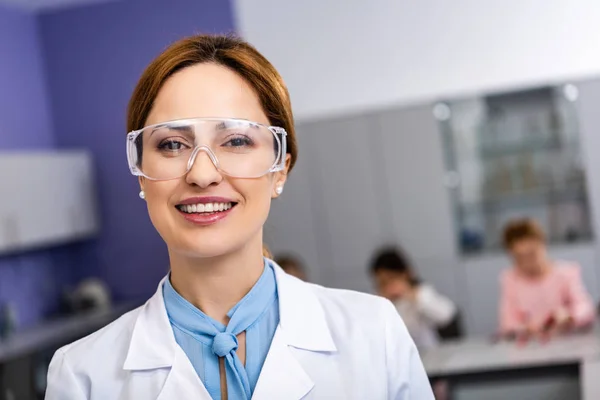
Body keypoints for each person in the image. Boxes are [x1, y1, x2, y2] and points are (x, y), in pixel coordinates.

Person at [45, 35, 433, 399]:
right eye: (172, 144)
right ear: (141, 171)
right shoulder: (83, 376)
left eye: (235, 141)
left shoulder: (374, 333)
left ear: (280, 168)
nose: (201, 174)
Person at [498, 218, 595, 341]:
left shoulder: (566, 273)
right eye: (519, 258)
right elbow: (507, 323)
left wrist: (570, 316)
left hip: (567, 343)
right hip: (530, 348)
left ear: (543, 245)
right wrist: (524, 328)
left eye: (531, 254)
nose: (527, 263)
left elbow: (585, 308)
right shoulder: (511, 279)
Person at [370, 247, 458, 351]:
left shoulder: (422, 293)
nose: (388, 287)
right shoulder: (378, 303)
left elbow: (446, 315)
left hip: (429, 355)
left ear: (406, 274)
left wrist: (412, 295)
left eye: (391, 279)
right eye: (382, 283)